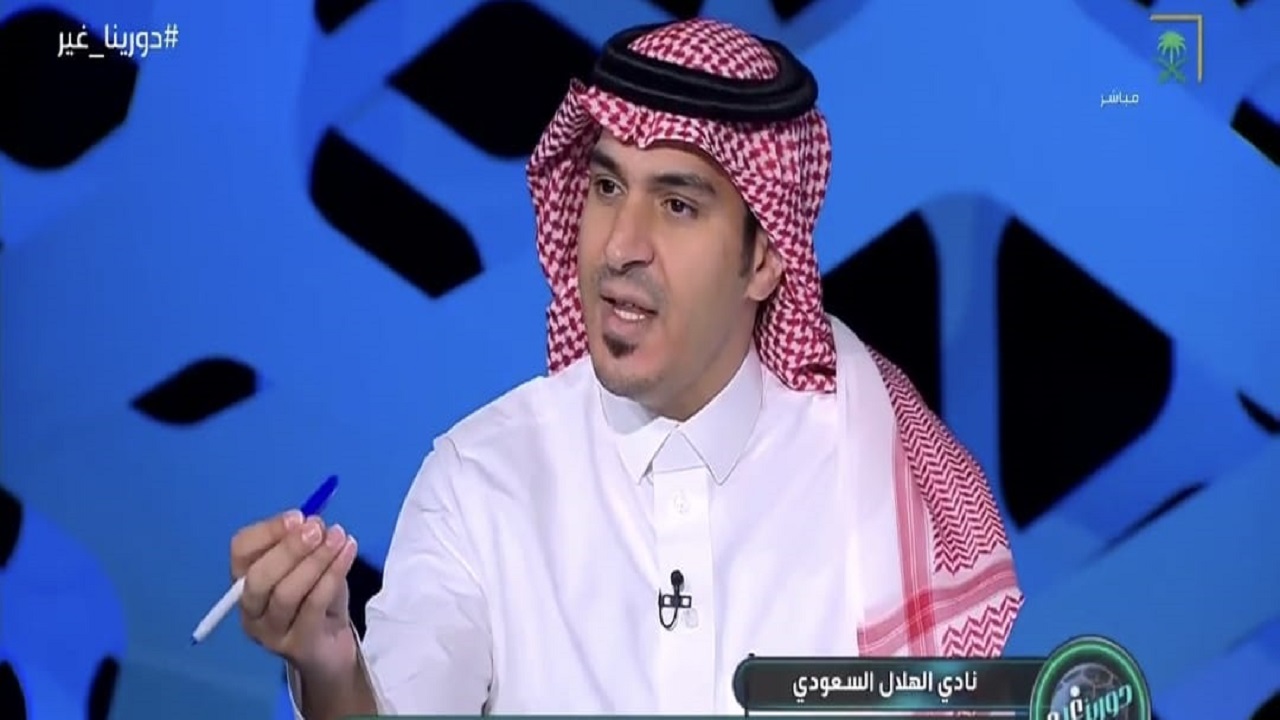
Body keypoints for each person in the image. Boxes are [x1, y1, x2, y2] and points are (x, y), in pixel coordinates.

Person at [228, 18, 1022, 718]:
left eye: (677, 205)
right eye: (607, 187)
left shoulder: (875, 474)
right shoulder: (480, 480)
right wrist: (329, 668)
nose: (619, 245)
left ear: (765, 258)